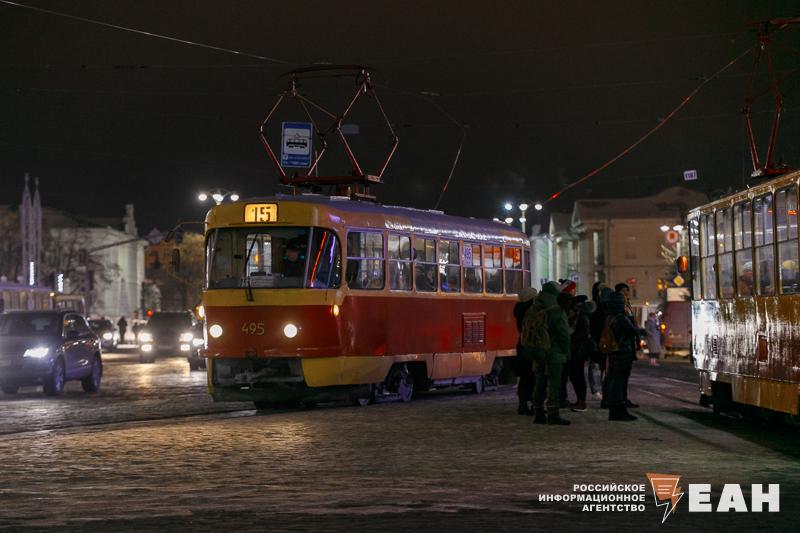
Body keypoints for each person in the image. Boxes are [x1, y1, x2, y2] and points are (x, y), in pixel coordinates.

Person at [530, 281, 572, 426]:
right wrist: (567, 351)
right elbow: (564, 334)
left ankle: (538, 413)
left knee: (539, 382)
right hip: (555, 352)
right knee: (554, 384)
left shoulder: (535, 307)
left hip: (538, 351)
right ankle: (553, 414)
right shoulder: (557, 309)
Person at [604, 292, 639, 421]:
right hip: (623, 352)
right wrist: (630, 315)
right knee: (620, 383)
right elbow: (634, 330)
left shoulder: (610, 317)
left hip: (614, 352)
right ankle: (619, 410)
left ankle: (614, 410)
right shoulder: (621, 318)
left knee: (615, 382)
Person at [562, 295, 595, 412]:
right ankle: (580, 401)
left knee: (578, 376)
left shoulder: (580, 316)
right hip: (577, 350)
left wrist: (572, 340)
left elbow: (582, 334)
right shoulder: (580, 315)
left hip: (577, 350)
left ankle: (581, 402)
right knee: (576, 376)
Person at [513, 287, 537, 415]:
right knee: (533, 377)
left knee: (524, 377)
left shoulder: (519, 310)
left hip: (522, 345)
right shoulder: (532, 311)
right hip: (532, 346)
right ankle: (534, 403)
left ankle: (522, 404)